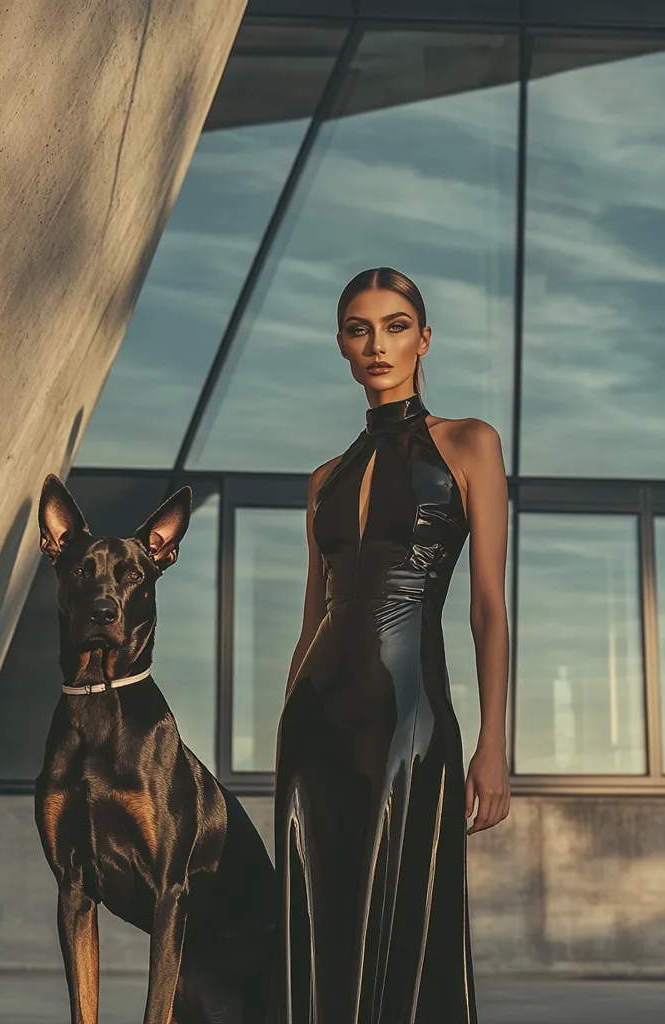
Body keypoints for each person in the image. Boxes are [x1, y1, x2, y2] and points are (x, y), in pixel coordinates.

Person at [269, 267, 511, 1024]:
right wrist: (285, 732)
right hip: (313, 729)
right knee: (316, 926)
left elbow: (487, 608)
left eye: (396, 324)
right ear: (342, 346)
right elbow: (313, 623)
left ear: (424, 339)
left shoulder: (469, 445)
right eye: (359, 328)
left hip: (411, 717)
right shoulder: (324, 479)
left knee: (408, 926)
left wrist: (494, 742)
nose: (377, 343)